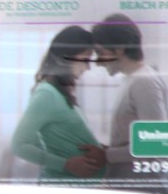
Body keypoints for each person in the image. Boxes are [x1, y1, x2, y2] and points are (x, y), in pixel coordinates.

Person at [10, 25, 106, 182]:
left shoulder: (60, 93)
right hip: (64, 189)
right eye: (86, 59)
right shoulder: (47, 94)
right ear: (68, 56)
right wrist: (66, 165)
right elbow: (19, 145)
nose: (88, 67)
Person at [88, 13, 168, 185]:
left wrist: (108, 155)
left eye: (100, 52)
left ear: (119, 49)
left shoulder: (144, 82)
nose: (98, 62)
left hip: (143, 188)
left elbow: (155, 144)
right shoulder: (131, 79)